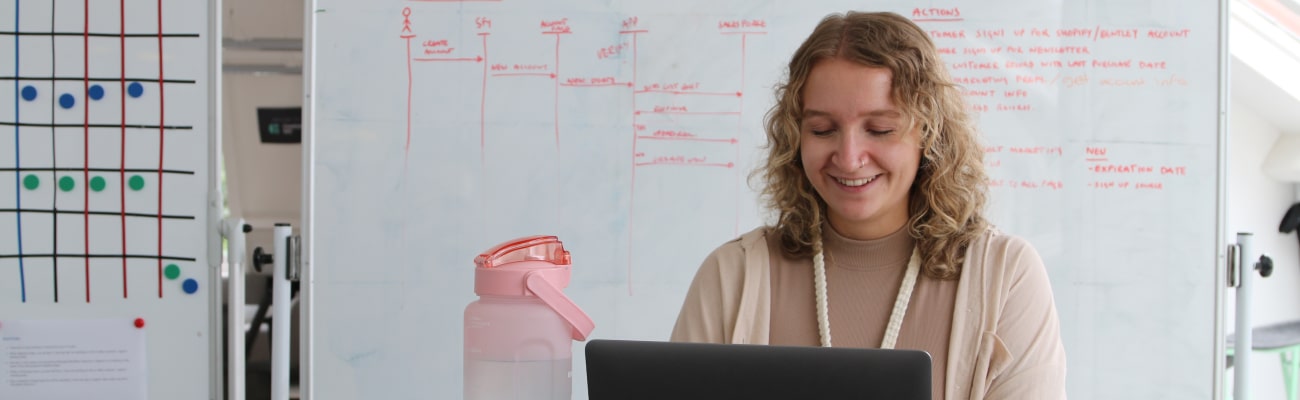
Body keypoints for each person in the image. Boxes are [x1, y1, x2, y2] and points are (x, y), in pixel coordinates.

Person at [670, 11, 1067, 400]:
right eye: (822, 130)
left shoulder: (1005, 274)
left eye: (880, 130)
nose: (849, 156)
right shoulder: (731, 276)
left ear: (927, 132)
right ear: (795, 136)